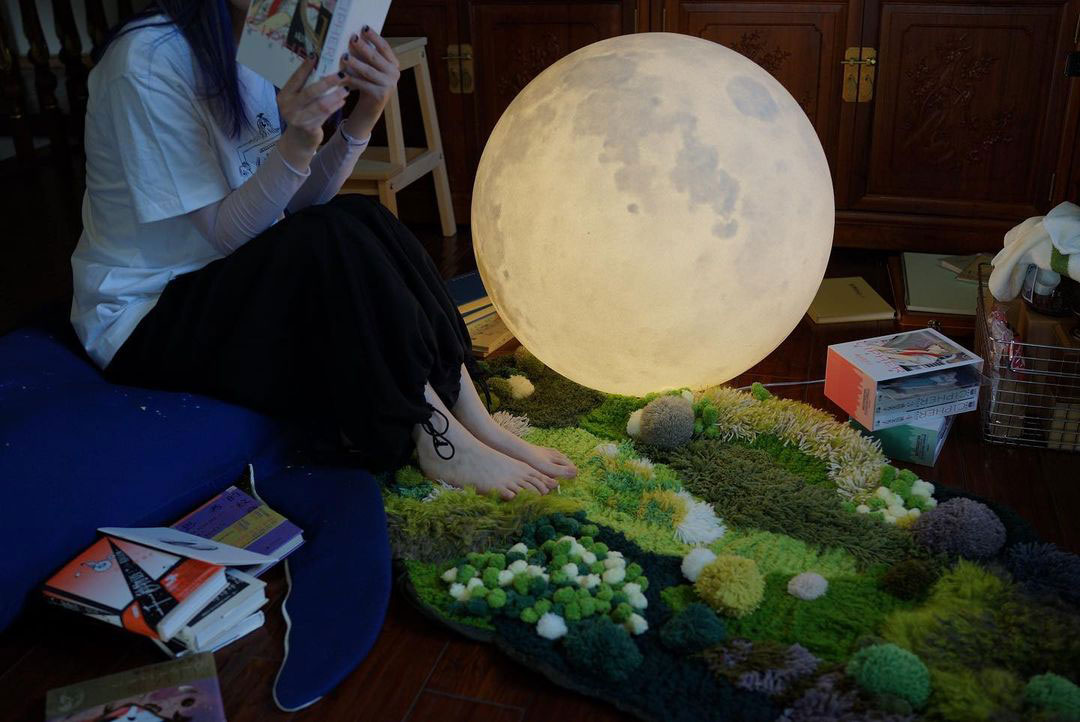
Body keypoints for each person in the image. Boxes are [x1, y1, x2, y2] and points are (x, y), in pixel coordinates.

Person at [70, 0, 577, 499]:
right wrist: (299, 137)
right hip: (147, 321)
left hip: (234, 281)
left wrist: (364, 115)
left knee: (361, 216)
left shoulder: (260, 37)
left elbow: (296, 201)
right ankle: (435, 435)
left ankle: (474, 419)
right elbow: (229, 233)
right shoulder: (146, 63)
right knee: (326, 237)